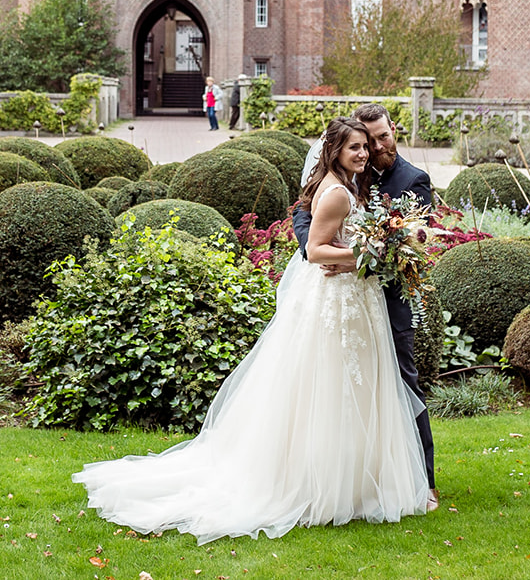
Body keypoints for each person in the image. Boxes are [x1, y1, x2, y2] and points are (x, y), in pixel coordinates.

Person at [73, 117, 430, 543]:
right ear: (334, 151)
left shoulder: (349, 186)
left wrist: (379, 250)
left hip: (352, 298)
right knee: (332, 386)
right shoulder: (336, 193)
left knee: (348, 387)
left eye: (365, 147)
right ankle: (323, 486)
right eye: (354, 147)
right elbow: (316, 250)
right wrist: (373, 255)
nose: (363, 153)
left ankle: (350, 482)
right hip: (339, 299)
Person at [292, 101, 438, 508]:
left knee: (401, 385)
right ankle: (348, 479)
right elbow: (305, 216)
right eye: (365, 142)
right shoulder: (343, 180)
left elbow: (417, 236)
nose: (374, 148)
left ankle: (423, 479)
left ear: (395, 130)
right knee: (342, 386)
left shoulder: (413, 179)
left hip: (387, 301)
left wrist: (371, 253)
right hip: (345, 298)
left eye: (381, 138)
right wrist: (319, 253)